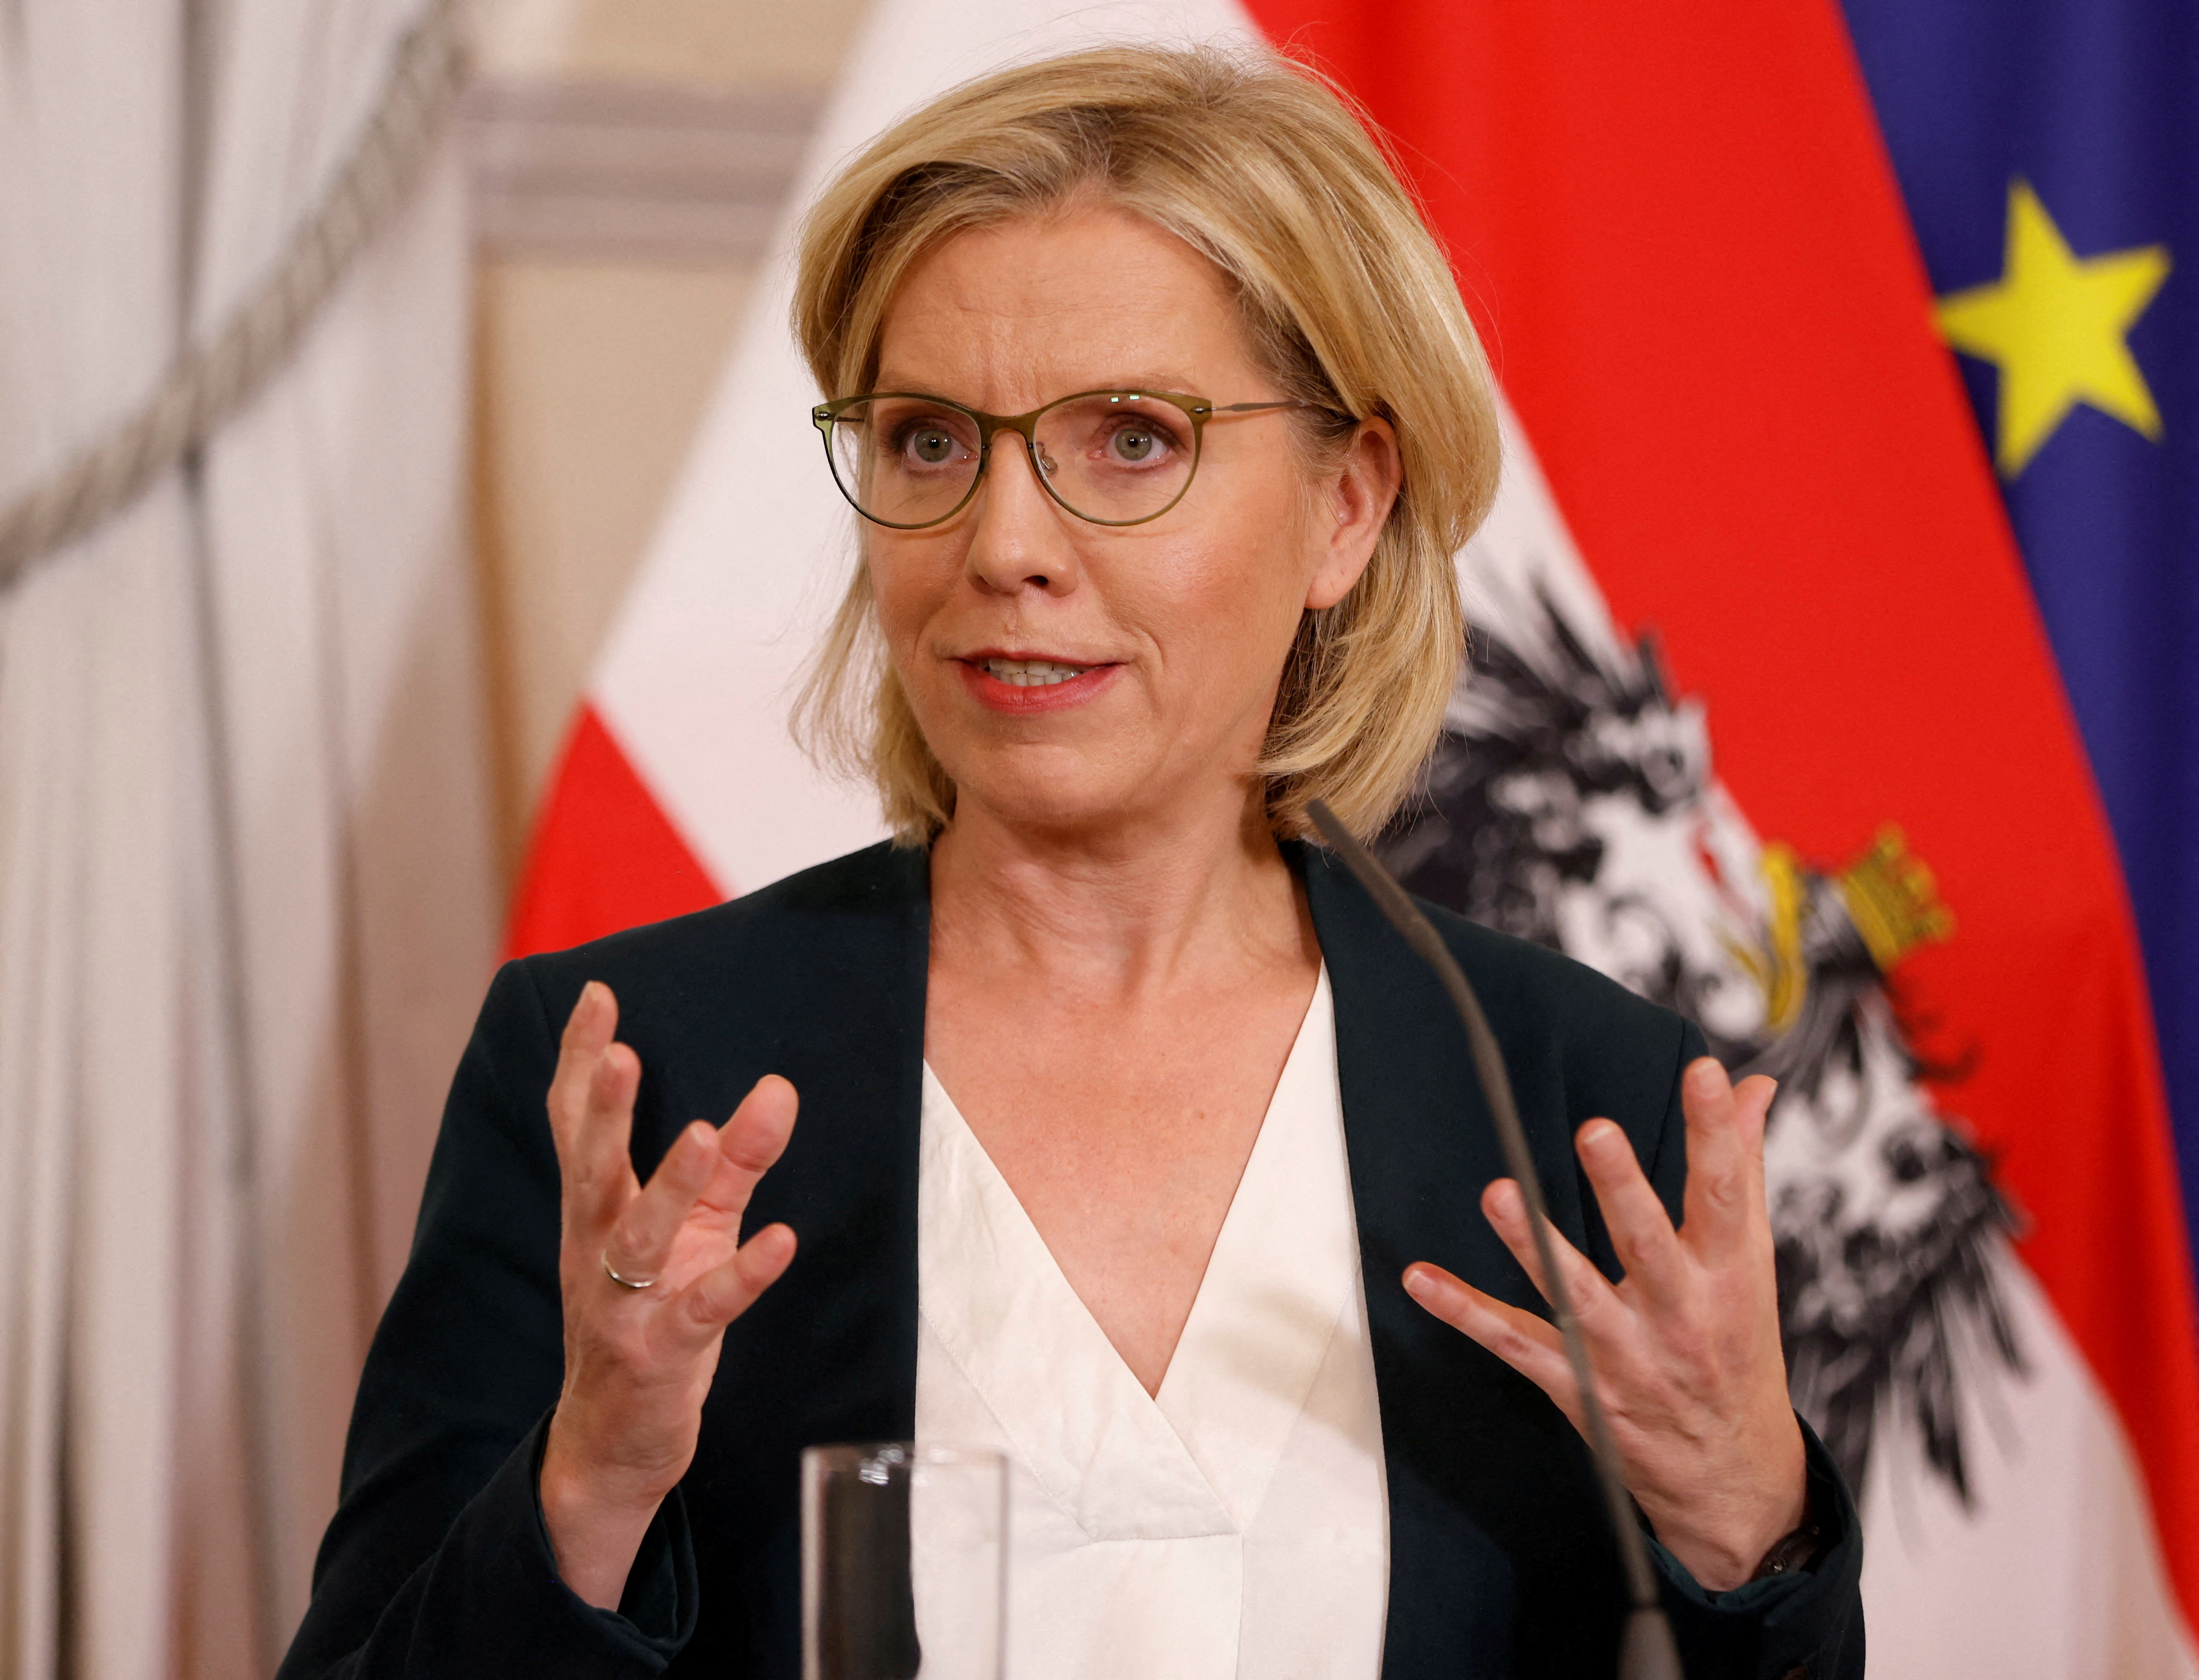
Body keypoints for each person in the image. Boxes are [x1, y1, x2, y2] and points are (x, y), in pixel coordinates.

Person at [279, 43, 1863, 1680]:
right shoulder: (628, 1074)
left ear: (1343, 503)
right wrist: (585, 1493)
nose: (1004, 547)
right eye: (926, 441)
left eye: (1126, 439)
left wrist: (1747, 1532)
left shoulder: (1579, 1110)